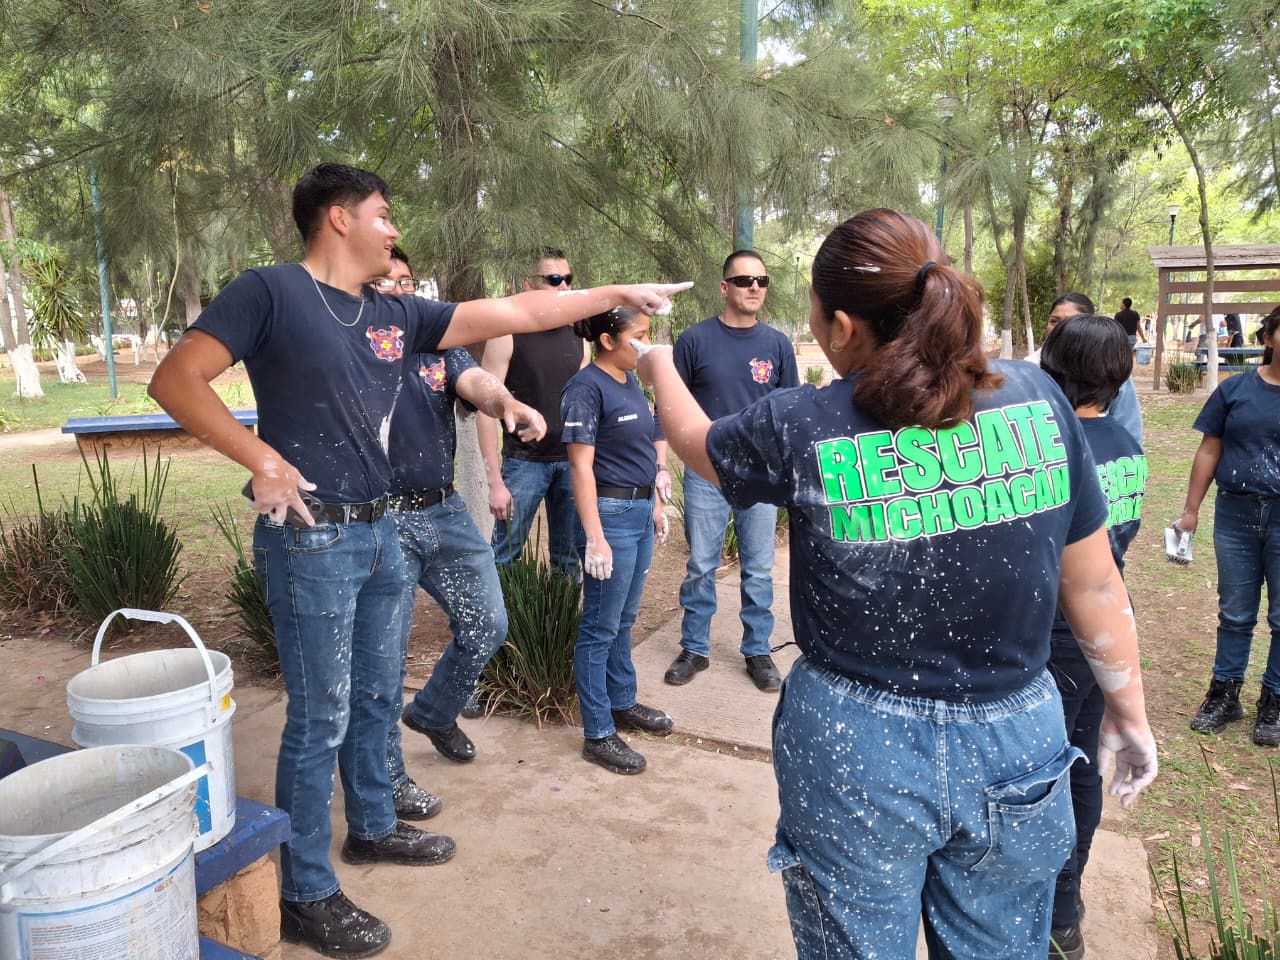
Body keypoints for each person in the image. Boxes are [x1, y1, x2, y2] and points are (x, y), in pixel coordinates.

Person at [148, 163, 691, 959]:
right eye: (383, 213)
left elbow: (518, 307)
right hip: (315, 538)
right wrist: (260, 458)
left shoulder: (395, 313)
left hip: (383, 533)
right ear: (338, 219)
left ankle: (370, 826)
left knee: (372, 693)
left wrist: (618, 293)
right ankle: (305, 889)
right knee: (320, 715)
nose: (394, 228)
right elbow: (177, 378)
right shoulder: (269, 292)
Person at [637, 208, 1157, 960]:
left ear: (841, 325)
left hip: (857, 743)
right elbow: (1098, 586)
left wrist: (657, 367)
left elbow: (697, 445)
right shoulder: (1041, 401)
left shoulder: (804, 424)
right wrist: (1127, 708)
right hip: (1019, 733)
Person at [376, 247, 545, 822]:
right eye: (386, 282)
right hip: (379, 519)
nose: (400, 290)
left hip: (442, 510)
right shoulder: (356, 347)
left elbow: (477, 383)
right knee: (385, 658)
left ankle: (434, 711)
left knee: (488, 623)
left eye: (407, 280)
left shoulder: (439, 346)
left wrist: (507, 402)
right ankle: (389, 778)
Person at [1039, 316, 1148, 960]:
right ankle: (1067, 906)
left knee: (1044, 777)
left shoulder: (1056, 446)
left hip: (1053, 637)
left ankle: (1047, 909)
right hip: (1098, 640)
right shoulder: (1124, 444)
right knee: (1081, 767)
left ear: (1053, 366)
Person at [665, 250, 799, 692]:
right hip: (707, 471)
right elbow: (669, 406)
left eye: (761, 280)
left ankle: (758, 650)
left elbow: (790, 410)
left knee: (758, 567)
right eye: (744, 281)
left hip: (760, 476)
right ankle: (694, 648)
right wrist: (663, 464)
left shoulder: (777, 344)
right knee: (702, 564)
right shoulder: (694, 342)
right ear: (724, 288)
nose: (754, 287)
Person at [562, 307, 674, 774]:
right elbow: (580, 466)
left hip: (638, 509)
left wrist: (656, 500)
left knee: (624, 618)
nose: (644, 346)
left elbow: (645, 445)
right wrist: (595, 537)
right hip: (608, 516)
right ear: (607, 340)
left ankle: (622, 703)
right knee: (599, 627)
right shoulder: (585, 388)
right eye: (638, 337)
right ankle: (598, 732)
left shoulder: (629, 380)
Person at [1178, 304, 1280, 748]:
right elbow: (1208, 450)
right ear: (1271, 336)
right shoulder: (1235, 389)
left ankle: (1274, 701)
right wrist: (1191, 509)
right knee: (1235, 612)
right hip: (1235, 515)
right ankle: (1225, 694)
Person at [478, 249, 589, 576]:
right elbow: (486, 409)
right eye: (554, 280)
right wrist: (494, 480)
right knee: (503, 556)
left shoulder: (579, 332)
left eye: (568, 279)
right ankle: (501, 627)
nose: (564, 286)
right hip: (523, 464)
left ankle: (559, 627)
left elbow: (583, 399)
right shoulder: (506, 330)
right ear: (529, 283)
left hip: (571, 461)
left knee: (568, 560)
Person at [1030, 292, 1144, 445]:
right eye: (1054, 321)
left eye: (1071, 322)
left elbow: (1129, 429)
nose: (1060, 329)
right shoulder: (1029, 369)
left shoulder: (1109, 371)